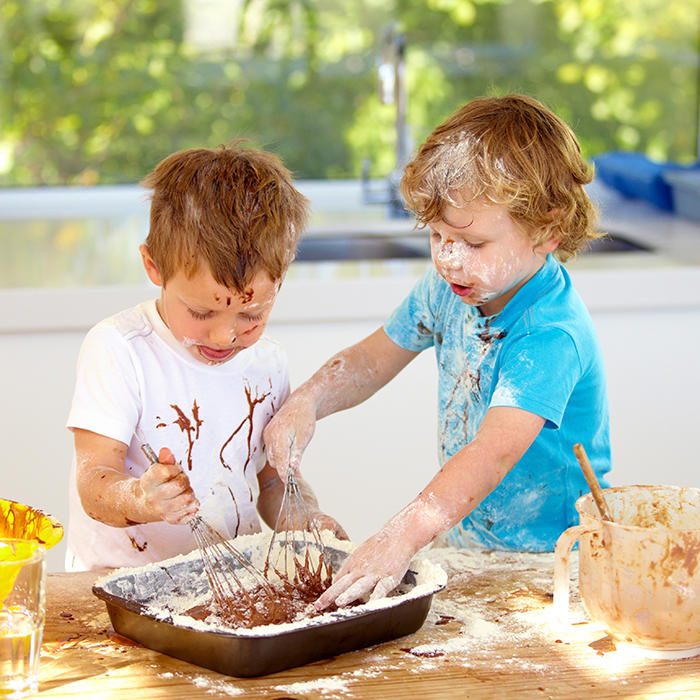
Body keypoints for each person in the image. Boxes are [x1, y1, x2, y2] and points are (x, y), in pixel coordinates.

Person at [263, 94, 612, 609]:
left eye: (472, 244)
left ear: (548, 230)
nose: (449, 259)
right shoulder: (453, 288)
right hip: (470, 544)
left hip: (555, 561)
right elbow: (371, 360)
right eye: (437, 236)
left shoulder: (549, 335)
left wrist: (401, 534)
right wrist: (308, 401)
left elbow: (492, 454)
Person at [65, 143, 345, 571]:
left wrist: (306, 518)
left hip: (229, 580)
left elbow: (273, 483)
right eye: (201, 312)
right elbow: (93, 483)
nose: (225, 334)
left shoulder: (268, 365)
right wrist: (143, 498)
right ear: (154, 266)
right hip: (119, 584)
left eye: (251, 313)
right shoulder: (120, 349)